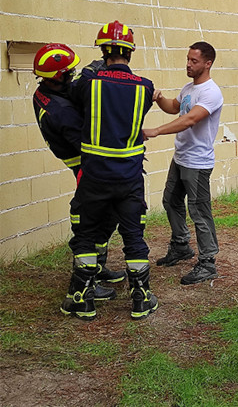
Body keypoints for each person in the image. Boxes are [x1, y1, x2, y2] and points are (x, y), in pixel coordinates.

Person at [64, 20, 157, 320]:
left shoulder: (88, 83)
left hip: (94, 177)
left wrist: (91, 72)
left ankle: (82, 298)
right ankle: (141, 298)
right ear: (130, 53)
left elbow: (74, 95)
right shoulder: (145, 87)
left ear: (104, 51)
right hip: (129, 179)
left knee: (87, 235)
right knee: (133, 237)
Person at [32, 43, 122, 303]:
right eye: (68, 73)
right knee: (93, 222)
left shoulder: (46, 92)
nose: (72, 76)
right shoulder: (62, 113)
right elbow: (88, 141)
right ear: (57, 77)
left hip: (85, 164)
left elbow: (70, 90)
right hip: (88, 168)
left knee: (109, 216)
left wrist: (93, 71)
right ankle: (87, 281)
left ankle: (97, 267)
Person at [143, 42, 223, 286]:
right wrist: (159, 98)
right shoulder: (189, 88)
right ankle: (180, 246)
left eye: (194, 61)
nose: (188, 64)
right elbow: (175, 108)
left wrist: (156, 131)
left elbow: (189, 119)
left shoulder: (211, 92)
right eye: (188, 59)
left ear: (208, 63)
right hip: (181, 158)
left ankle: (208, 261)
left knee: (199, 211)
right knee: (171, 201)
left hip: (197, 163)